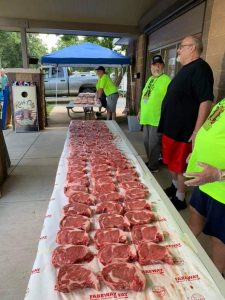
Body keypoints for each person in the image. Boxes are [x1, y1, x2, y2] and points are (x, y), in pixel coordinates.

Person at [158, 35, 214, 210]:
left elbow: (206, 101)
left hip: (184, 130)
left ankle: (180, 197)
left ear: (193, 48)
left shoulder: (201, 69)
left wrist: (197, 131)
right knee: (171, 161)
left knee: (181, 165)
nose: (178, 50)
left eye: (181, 46)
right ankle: (174, 186)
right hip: (171, 128)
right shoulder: (185, 69)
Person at [184, 99, 225, 274]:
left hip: (221, 191)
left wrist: (218, 174)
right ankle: (180, 255)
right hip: (205, 182)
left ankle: (217, 280)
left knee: (218, 239)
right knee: (195, 218)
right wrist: (198, 151)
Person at [138, 55, 171, 172]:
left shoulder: (166, 80)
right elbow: (144, 96)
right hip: (146, 117)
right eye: (154, 65)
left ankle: (153, 166)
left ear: (163, 66)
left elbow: (169, 101)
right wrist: (140, 111)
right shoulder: (150, 79)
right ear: (151, 66)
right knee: (146, 142)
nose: (156, 67)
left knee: (154, 144)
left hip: (156, 118)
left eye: (159, 65)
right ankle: (151, 161)